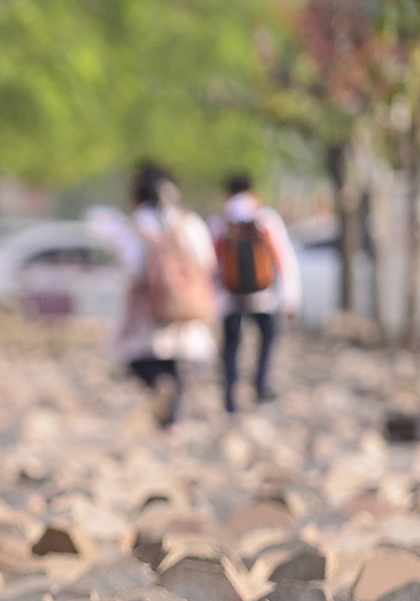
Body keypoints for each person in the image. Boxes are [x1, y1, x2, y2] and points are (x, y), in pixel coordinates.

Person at [107, 162, 217, 429]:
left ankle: (164, 414)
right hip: (188, 310)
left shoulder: (137, 226)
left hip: (151, 312)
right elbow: (208, 262)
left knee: (146, 365)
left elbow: (132, 271)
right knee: (183, 367)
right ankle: (172, 423)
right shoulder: (190, 223)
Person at [208, 172, 301, 414]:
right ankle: (260, 387)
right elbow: (284, 259)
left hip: (230, 298)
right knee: (267, 339)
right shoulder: (265, 219)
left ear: (227, 193)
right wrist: (290, 298)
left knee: (230, 347)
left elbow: (211, 263)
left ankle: (230, 397)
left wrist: (212, 299)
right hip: (265, 297)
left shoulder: (220, 222)